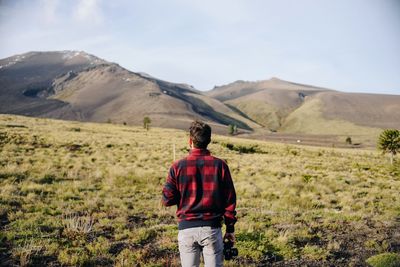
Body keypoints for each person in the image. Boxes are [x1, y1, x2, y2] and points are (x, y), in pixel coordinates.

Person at [162, 120, 237, 267]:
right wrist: (230, 229)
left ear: (190, 140)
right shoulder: (220, 165)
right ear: (209, 140)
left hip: (186, 229)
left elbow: (167, 200)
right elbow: (229, 200)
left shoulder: (177, 166)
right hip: (212, 230)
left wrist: (176, 186)